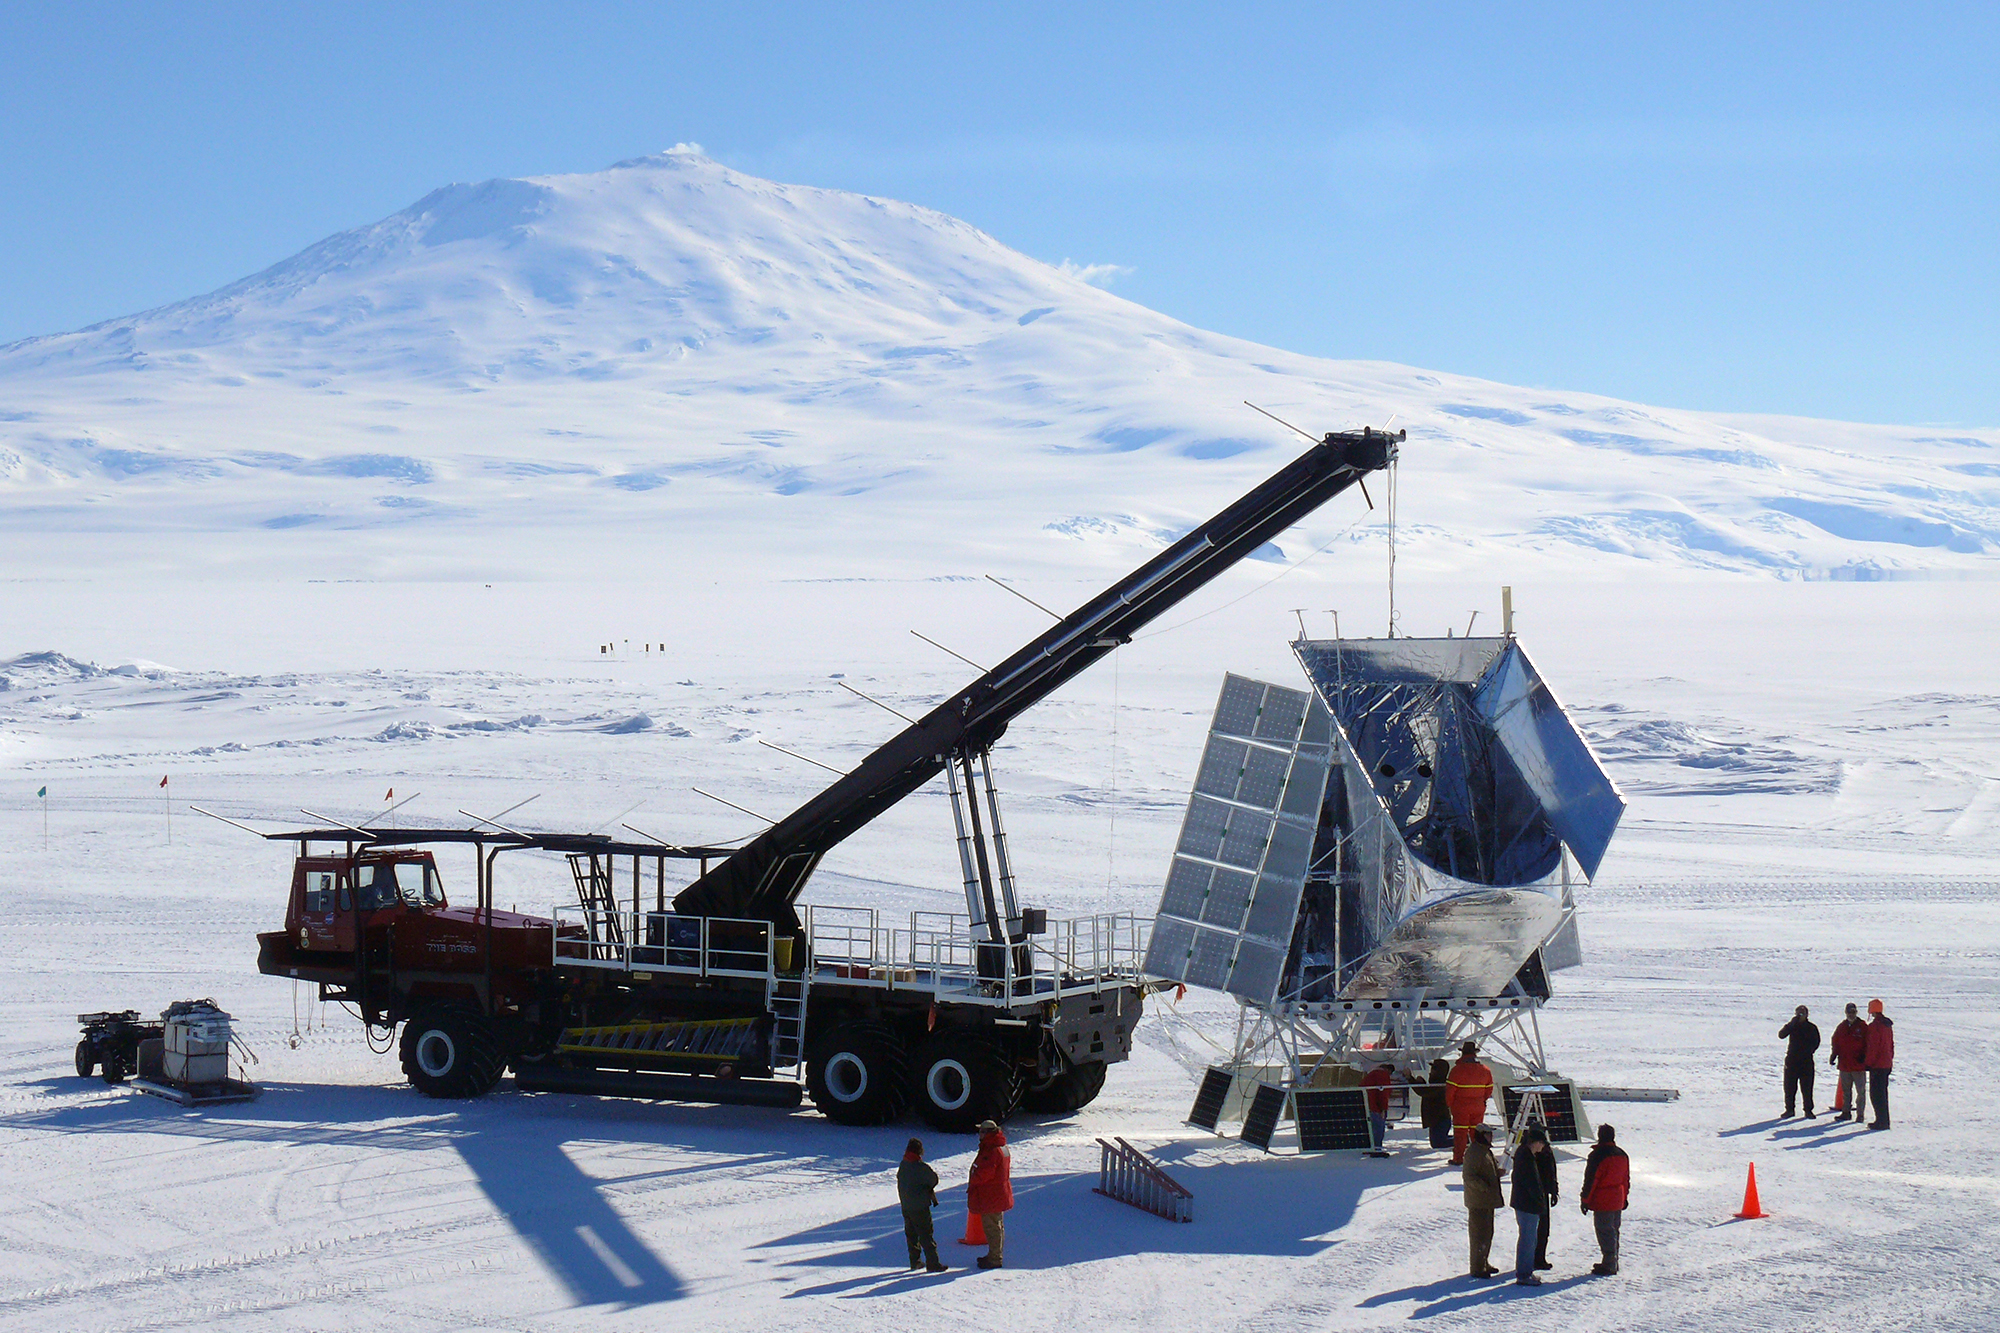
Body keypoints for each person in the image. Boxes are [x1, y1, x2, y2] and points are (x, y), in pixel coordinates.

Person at [1578, 1124, 1630, 1276]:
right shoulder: (1622, 1154)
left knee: (1605, 1231)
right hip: (1618, 1198)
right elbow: (1625, 1179)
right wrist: (1625, 1197)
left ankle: (1609, 1263)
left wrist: (1585, 1199)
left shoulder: (1597, 1155)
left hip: (1603, 1200)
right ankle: (1613, 1261)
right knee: (1614, 1231)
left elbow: (1591, 1180)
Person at [1509, 1126, 1554, 1286]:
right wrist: (1540, 1200)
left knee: (1529, 1239)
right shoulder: (1526, 1157)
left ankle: (1525, 1271)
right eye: (1542, 1143)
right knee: (1528, 1240)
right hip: (1527, 1205)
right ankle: (1523, 1274)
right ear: (1535, 1142)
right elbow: (1531, 1184)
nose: (1543, 1147)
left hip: (1525, 1203)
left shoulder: (1526, 1154)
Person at [967, 1118, 1014, 1269]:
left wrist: (974, 1178)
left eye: (981, 1131)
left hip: (991, 1195)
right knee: (997, 1226)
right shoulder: (1001, 1147)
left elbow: (985, 1172)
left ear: (987, 1133)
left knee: (992, 1227)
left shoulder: (991, 1150)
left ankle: (994, 1258)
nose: (978, 1134)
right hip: (999, 1193)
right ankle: (994, 1255)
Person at [1460, 1124, 1505, 1278]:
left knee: (1487, 1234)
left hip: (1486, 1201)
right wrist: (1484, 1186)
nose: (1490, 1137)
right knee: (1479, 1235)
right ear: (1480, 1135)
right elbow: (1469, 1176)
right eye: (1488, 1134)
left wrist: (1496, 1173)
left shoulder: (1485, 1151)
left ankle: (1483, 1262)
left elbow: (1484, 1170)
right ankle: (1477, 1268)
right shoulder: (1473, 1152)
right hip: (1478, 1201)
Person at [897, 1137, 948, 1273]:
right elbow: (933, 1179)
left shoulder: (903, 1164)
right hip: (919, 1207)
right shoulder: (921, 1167)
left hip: (906, 1206)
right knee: (926, 1234)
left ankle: (915, 1261)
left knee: (911, 1235)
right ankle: (933, 1263)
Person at [1446, 1042, 1495, 1166]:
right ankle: (1479, 1158)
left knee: (1460, 1133)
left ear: (1462, 1053)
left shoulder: (1457, 1070)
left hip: (1461, 1106)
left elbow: (1450, 1091)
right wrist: (1481, 1100)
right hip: (1478, 1106)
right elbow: (1489, 1089)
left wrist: (1450, 1105)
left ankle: (1458, 1158)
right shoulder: (1485, 1070)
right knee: (1477, 1133)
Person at [1778, 1005, 1821, 1118]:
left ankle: (1808, 1110)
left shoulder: (1811, 1027)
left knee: (1807, 1088)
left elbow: (1816, 1042)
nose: (1800, 1016)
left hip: (1806, 1061)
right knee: (1789, 1087)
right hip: (1792, 1060)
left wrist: (1808, 1051)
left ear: (1807, 1015)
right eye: (1798, 1013)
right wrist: (1791, 1024)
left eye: (1802, 1013)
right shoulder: (1792, 1026)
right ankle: (1789, 1110)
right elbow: (1781, 1035)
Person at [1829, 1002, 1868, 1122]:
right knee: (1846, 1091)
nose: (1851, 1014)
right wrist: (1834, 1055)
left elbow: (1869, 1043)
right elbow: (1835, 1041)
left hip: (1858, 1065)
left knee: (1860, 1092)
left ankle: (1860, 1115)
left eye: (1854, 1012)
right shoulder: (1842, 1027)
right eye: (1849, 1012)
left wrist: (1864, 1056)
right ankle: (1846, 1112)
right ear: (1845, 1013)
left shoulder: (1862, 1026)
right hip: (1845, 1065)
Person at [1865, 999, 1895, 1130]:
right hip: (1886, 1063)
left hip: (1878, 1065)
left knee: (1876, 1094)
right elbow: (1891, 1045)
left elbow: (1873, 1047)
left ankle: (1881, 1121)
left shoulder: (1875, 1027)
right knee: (1883, 1093)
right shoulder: (1887, 1025)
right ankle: (1884, 1120)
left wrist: (1868, 1063)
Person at [1361, 1060, 1395, 1154]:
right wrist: (1383, 1108)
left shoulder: (1370, 1075)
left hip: (1365, 1106)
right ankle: (1377, 1148)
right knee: (1378, 1128)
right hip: (1375, 1108)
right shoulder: (1383, 1076)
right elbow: (1383, 1093)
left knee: (1369, 1129)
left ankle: (1369, 1147)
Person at [1421, 1056, 1454, 1151]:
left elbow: (1425, 1092)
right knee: (1438, 1142)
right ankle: (1463, 1139)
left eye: (1433, 1069)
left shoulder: (1440, 1085)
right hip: (1437, 1119)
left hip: (1440, 1119)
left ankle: (1465, 1140)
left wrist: (1412, 1079)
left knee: (1438, 1143)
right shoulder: (1437, 1084)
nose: (1431, 1072)